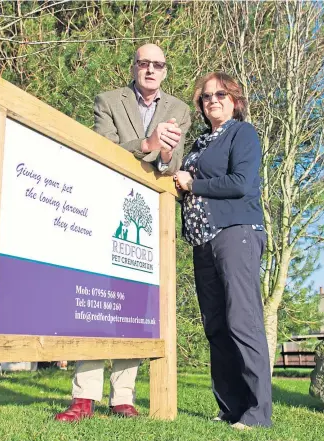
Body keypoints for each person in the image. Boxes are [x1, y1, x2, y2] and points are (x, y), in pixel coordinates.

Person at [55, 43, 191, 422]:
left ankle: (123, 398)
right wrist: (149, 144)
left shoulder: (179, 110)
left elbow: (172, 164)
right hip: (106, 202)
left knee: (136, 305)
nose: (150, 70)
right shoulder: (108, 100)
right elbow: (104, 147)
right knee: (96, 297)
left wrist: (164, 155)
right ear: (133, 67)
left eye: (158, 65)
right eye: (144, 63)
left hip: (148, 213)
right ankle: (84, 397)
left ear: (166, 71)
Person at [173, 72, 272, 429]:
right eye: (205, 97)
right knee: (216, 325)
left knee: (242, 321)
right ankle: (231, 407)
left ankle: (258, 412)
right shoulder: (201, 143)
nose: (212, 100)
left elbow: (241, 183)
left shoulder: (241, 133)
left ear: (234, 100)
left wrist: (193, 183)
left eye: (220, 94)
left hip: (235, 233)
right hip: (202, 239)